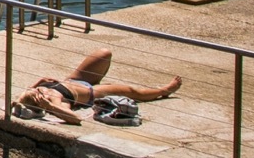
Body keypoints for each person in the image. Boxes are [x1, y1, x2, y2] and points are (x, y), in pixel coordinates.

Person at [14, 49, 182, 124]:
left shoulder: (32, 93)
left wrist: (39, 82)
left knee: (104, 53)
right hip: (92, 92)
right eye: (38, 92)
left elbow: (15, 101)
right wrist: (48, 105)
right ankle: (165, 90)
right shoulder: (55, 101)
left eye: (37, 90)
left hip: (75, 78)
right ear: (40, 101)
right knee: (133, 92)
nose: (39, 89)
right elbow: (75, 118)